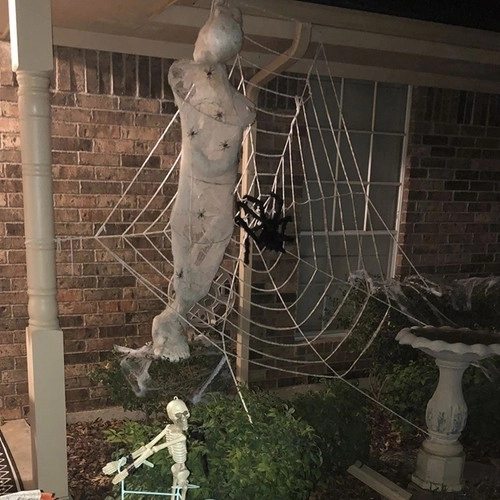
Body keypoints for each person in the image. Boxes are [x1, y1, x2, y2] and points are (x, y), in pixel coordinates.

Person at [151, 0, 255, 361]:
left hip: (196, 196)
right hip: (214, 202)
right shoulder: (238, 107)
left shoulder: (189, 84)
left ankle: (172, 323)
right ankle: (172, 324)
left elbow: (193, 66)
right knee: (192, 260)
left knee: (190, 258)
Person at [102, 397, 191, 499]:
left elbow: (154, 449)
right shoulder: (169, 428)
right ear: (171, 416)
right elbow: (149, 446)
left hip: (182, 469)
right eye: (178, 415)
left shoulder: (181, 436)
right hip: (176, 466)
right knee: (174, 489)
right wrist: (122, 461)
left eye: (185, 413)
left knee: (180, 487)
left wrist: (126, 471)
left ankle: (128, 470)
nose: (183, 418)